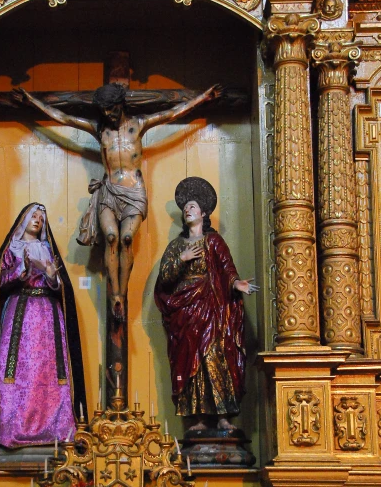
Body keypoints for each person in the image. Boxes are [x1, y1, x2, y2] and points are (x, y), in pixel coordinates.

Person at [13, 82, 222, 322]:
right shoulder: (100, 130)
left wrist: (203, 97)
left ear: (120, 105)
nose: (109, 116)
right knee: (111, 237)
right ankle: (116, 297)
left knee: (126, 239)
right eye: (104, 112)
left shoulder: (138, 125)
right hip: (109, 191)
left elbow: (172, 113)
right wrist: (32, 101)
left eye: (112, 110)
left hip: (134, 192)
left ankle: (123, 290)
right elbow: (64, 118)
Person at [0, 204, 87, 449]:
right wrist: (22, 269)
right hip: (20, 314)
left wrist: (50, 274)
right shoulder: (12, 249)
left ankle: (57, 427)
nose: (37, 220)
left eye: (41, 218)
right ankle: (15, 427)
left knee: (48, 369)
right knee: (18, 370)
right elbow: (0, 282)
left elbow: (60, 288)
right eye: (33, 216)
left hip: (48, 315)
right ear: (23, 220)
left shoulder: (48, 249)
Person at [154, 177, 258, 433]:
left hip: (213, 309)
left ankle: (224, 415)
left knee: (216, 356)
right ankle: (197, 417)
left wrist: (236, 284)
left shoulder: (214, 241)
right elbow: (165, 278)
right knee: (190, 361)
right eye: (185, 207)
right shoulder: (176, 246)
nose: (188, 210)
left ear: (203, 213)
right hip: (186, 313)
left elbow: (226, 268)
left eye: (192, 207)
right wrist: (182, 258)